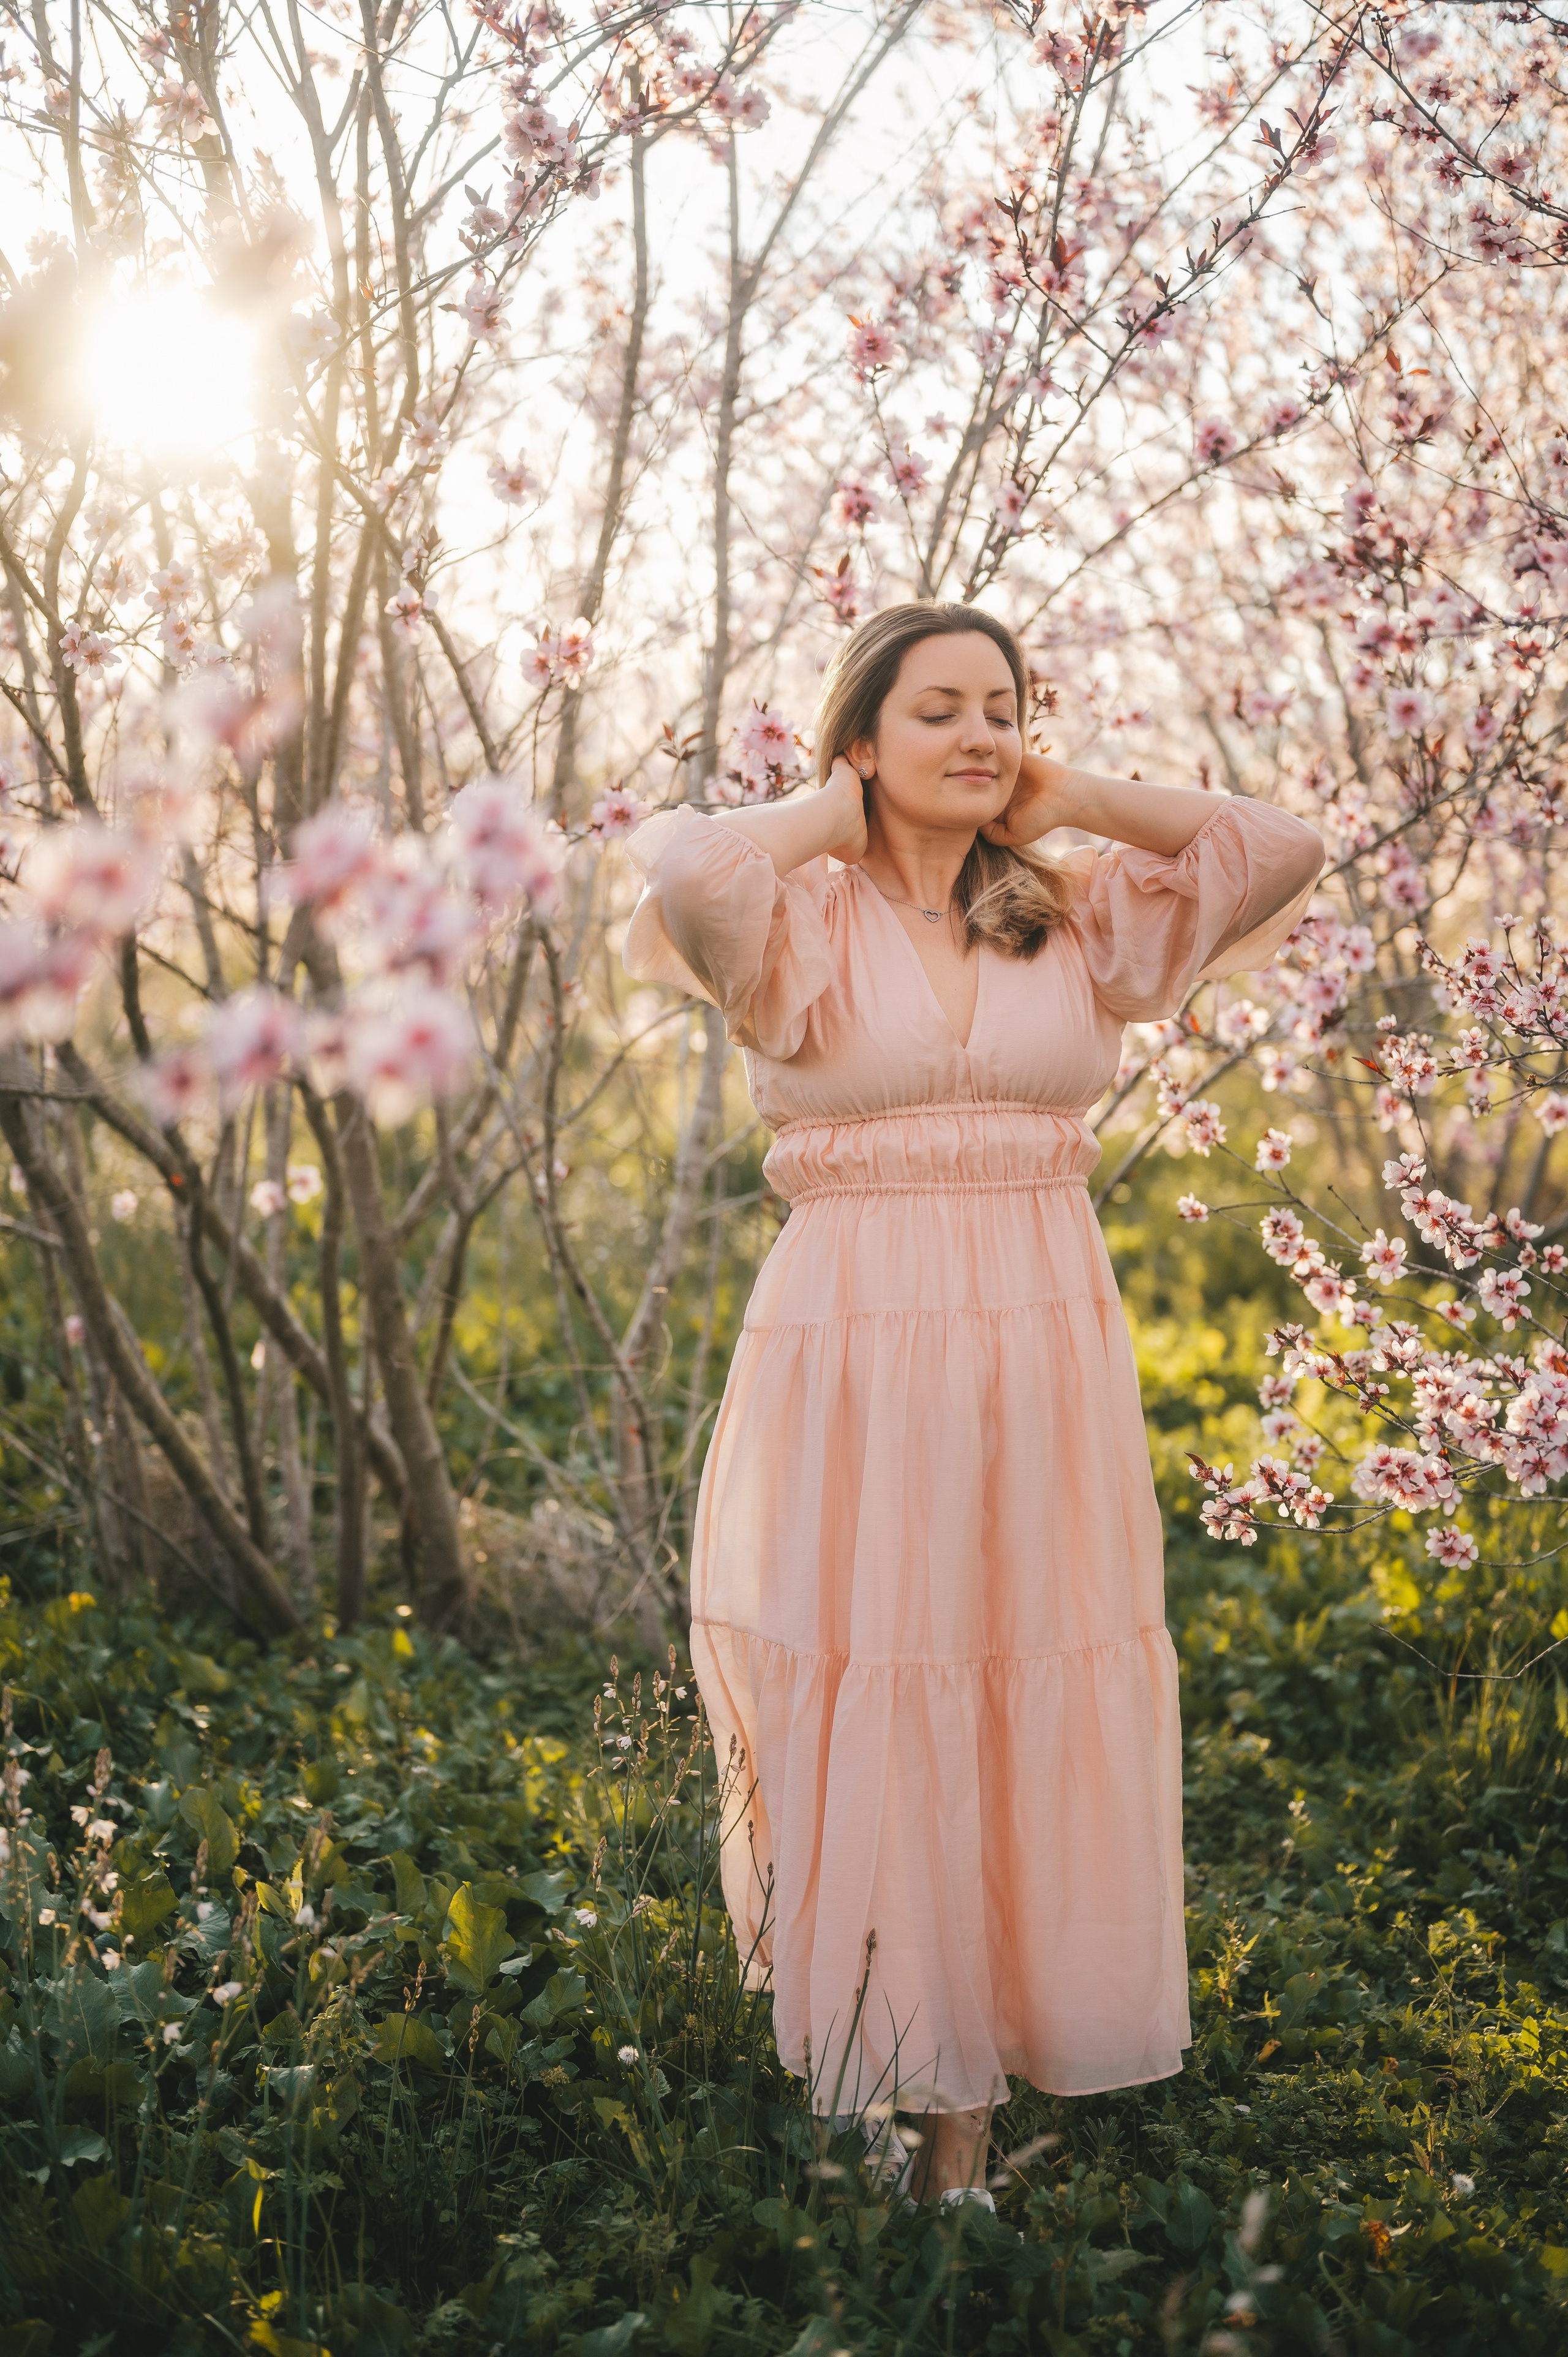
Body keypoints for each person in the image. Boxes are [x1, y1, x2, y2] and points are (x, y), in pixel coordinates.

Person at [622, 602, 1324, 2205]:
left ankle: (967, 2135)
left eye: (1001, 706)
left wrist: (1060, 795)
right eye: (935, 709)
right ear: (863, 733)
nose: (981, 732)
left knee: (1020, 1670)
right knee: (889, 1671)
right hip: (856, 1340)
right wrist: (845, 803)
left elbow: (1272, 849)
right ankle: (886, 2080)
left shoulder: (1068, 919)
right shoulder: (792, 922)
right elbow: (685, 873)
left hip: (1040, 1342)